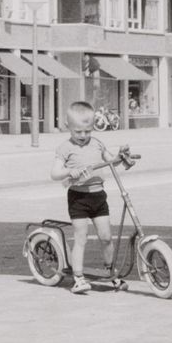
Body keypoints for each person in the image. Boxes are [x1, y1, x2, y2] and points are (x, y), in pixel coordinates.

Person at [50, 100, 124, 294]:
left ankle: (110, 271)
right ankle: (78, 278)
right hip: (79, 198)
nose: (83, 136)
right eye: (78, 132)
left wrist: (121, 156)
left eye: (87, 131)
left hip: (98, 196)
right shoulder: (65, 148)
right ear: (68, 126)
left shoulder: (97, 143)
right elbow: (54, 173)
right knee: (81, 238)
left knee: (106, 237)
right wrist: (69, 171)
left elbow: (111, 161)